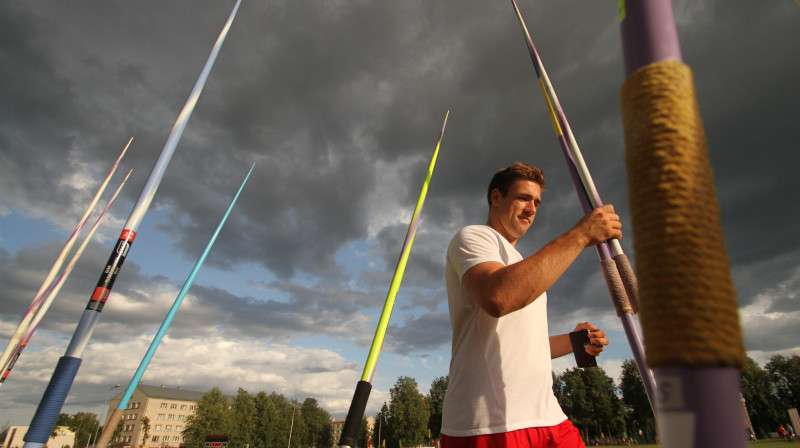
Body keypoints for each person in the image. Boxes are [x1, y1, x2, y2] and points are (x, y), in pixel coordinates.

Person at [441, 162, 621, 448]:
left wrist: (575, 342)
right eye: (523, 197)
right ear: (497, 197)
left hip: (548, 417)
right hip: (491, 424)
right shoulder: (474, 237)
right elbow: (498, 297)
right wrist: (581, 234)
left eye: (537, 202)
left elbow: (526, 346)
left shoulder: (522, 265)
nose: (532, 208)